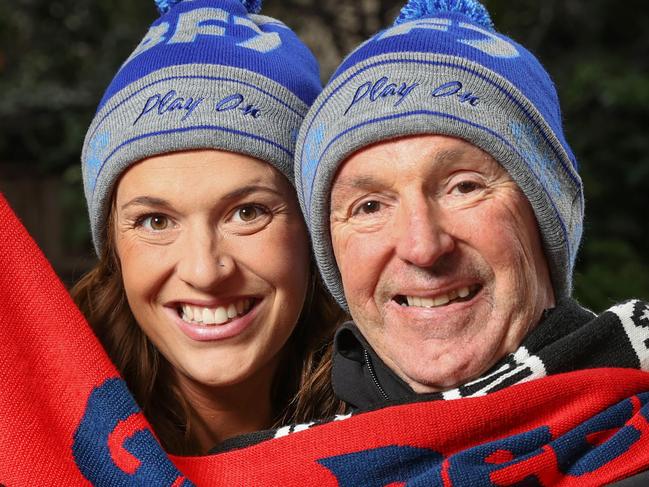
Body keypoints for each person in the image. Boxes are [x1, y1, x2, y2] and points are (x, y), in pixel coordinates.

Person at [295, 0, 649, 413]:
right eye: (370, 206)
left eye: (464, 187)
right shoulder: (268, 470)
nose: (422, 247)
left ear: (548, 221)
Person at [72, 0, 343, 455]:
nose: (205, 271)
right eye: (155, 221)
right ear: (114, 248)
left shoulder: (408, 417)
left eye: (248, 213)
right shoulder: (37, 425)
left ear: (312, 230)